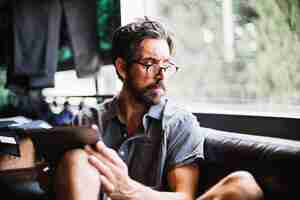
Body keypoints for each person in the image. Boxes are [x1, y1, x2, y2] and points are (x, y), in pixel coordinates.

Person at [53, 17, 263, 200]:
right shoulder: (87, 120)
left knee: (243, 185)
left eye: (166, 65)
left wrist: (129, 192)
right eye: (149, 64)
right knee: (75, 159)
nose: (161, 75)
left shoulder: (179, 123)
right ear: (122, 68)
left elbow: (184, 196)